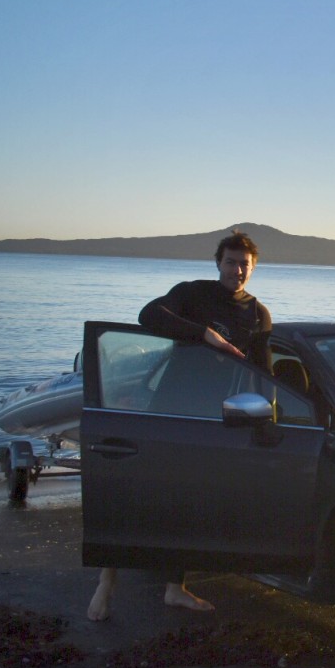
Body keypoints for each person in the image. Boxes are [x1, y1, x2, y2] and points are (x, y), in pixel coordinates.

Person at [87, 230, 272, 621]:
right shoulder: (192, 293)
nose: (237, 270)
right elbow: (148, 315)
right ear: (218, 263)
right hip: (167, 407)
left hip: (210, 417)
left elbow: (262, 372)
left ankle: (175, 588)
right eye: (231, 262)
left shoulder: (258, 314)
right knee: (140, 492)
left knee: (188, 501)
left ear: (253, 268)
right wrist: (205, 335)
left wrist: (269, 415)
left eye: (245, 265)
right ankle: (107, 578)